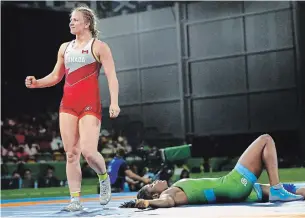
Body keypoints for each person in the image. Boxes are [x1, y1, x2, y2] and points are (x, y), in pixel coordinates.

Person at [25, 5, 120, 211]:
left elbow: (112, 77)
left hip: (90, 105)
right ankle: (75, 200)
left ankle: (103, 177)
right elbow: (56, 77)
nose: (71, 23)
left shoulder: (99, 47)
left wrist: (114, 102)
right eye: (71, 20)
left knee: (88, 151)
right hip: (68, 105)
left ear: (87, 23)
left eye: (75, 20)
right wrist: (37, 83)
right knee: (71, 154)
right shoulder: (64, 48)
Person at [125, 134, 304, 209]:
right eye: (152, 186)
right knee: (265, 139)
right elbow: (167, 202)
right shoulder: (169, 193)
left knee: (294, 189)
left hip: (239, 192)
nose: (155, 182)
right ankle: (277, 188)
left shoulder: (174, 189)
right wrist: (148, 204)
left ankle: (279, 189)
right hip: (233, 184)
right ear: (155, 196)